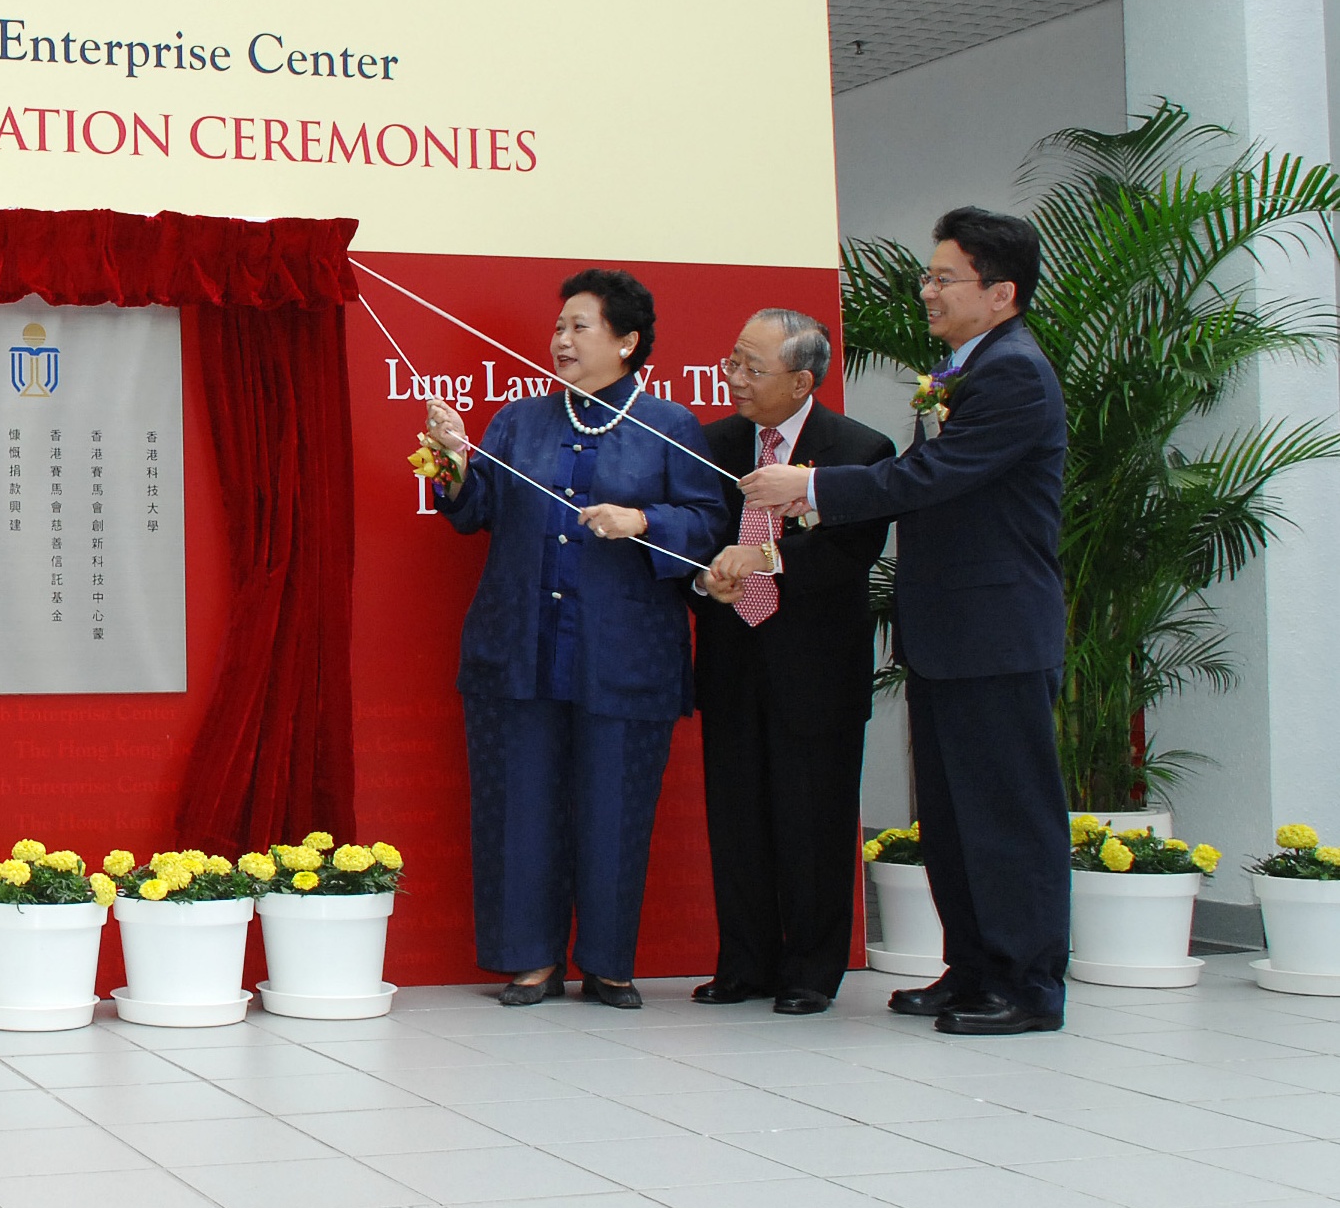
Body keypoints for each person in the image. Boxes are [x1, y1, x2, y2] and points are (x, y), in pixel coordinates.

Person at [743, 207, 1069, 1035]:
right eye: (928, 274)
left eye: (943, 277)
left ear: (1001, 292)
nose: (926, 289)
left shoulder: (1015, 374)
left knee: (1006, 815)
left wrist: (809, 487)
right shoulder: (963, 367)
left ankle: (1026, 985)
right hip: (952, 634)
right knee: (957, 816)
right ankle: (973, 968)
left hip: (996, 635)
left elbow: (929, 477)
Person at [424, 269, 726, 1008]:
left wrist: (643, 521)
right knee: (519, 805)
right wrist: (454, 461)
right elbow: (472, 511)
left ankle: (608, 962)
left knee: (615, 804)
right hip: (518, 644)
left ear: (626, 341)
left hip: (624, 653)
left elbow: (709, 522)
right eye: (558, 326)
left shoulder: (670, 423)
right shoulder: (519, 420)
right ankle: (529, 959)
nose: (561, 339)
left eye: (580, 326)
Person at [686, 309, 895, 1015]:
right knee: (738, 818)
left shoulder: (859, 450)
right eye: (733, 362)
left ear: (802, 380)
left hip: (816, 671)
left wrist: (766, 559)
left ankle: (811, 969)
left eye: (752, 367)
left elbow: (849, 551)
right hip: (732, 660)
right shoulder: (711, 443)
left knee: (816, 822)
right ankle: (744, 962)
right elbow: (700, 535)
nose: (734, 378)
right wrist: (706, 577)